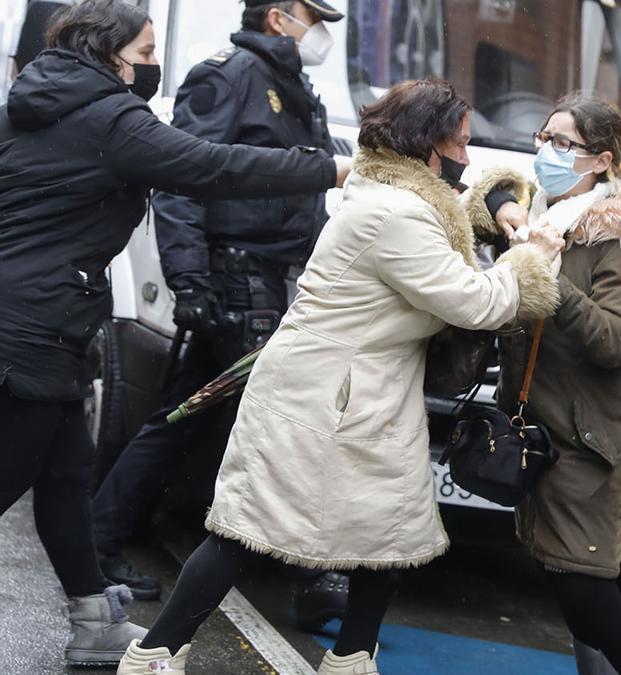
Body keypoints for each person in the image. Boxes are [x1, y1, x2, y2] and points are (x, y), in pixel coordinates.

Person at [117, 78, 564, 675]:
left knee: (387, 535)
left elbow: (468, 208)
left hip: (363, 392)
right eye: (459, 142)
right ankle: (155, 652)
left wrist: (505, 206)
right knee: (248, 528)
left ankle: (352, 657)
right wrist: (534, 258)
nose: (466, 155)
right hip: (321, 397)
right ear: (428, 146)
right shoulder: (396, 213)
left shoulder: (397, 192)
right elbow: (476, 301)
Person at [0, 0, 349, 666]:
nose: (154, 66)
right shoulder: (113, 120)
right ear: (108, 54)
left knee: (68, 474)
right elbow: (215, 166)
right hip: (37, 328)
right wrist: (328, 169)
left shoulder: (29, 105)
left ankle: (92, 617)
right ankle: (92, 618)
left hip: (39, 318)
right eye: (145, 54)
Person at [91, 0, 350, 629]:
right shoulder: (227, 75)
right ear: (277, 17)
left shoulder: (291, 84)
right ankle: (315, 573)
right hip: (236, 282)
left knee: (190, 417)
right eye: (311, 19)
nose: (318, 34)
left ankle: (99, 539)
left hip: (270, 280)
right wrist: (191, 281)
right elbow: (184, 177)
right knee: (230, 419)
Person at [464, 93, 621, 675]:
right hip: (543, 428)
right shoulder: (541, 210)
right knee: (571, 591)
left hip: (590, 439)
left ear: (601, 161)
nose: (546, 152)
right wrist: (512, 217)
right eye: (543, 138)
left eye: (563, 144)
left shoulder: (617, 237)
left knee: (586, 591)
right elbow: (486, 191)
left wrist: (551, 277)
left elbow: (618, 343)